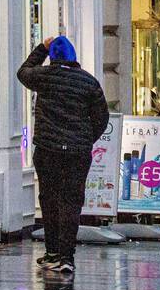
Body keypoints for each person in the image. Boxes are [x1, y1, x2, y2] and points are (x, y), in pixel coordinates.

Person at [17, 35, 110, 275]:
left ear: (54, 57)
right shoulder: (89, 82)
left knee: (49, 199)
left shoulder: (44, 77)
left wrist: (41, 48)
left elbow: (23, 71)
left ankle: (52, 252)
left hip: (48, 150)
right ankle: (67, 257)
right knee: (71, 202)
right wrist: (86, 139)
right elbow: (101, 118)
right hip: (77, 153)